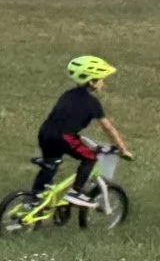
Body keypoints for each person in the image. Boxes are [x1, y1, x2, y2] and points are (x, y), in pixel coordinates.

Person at [30, 56, 133, 201]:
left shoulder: (67, 94)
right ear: (92, 82)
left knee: (50, 164)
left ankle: (34, 199)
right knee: (90, 158)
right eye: (101, 79)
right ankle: (75, 192)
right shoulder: (93, 103)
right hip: (65, 137)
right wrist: (122, 149)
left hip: (46, 133)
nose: (103, 83)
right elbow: (108, 128)